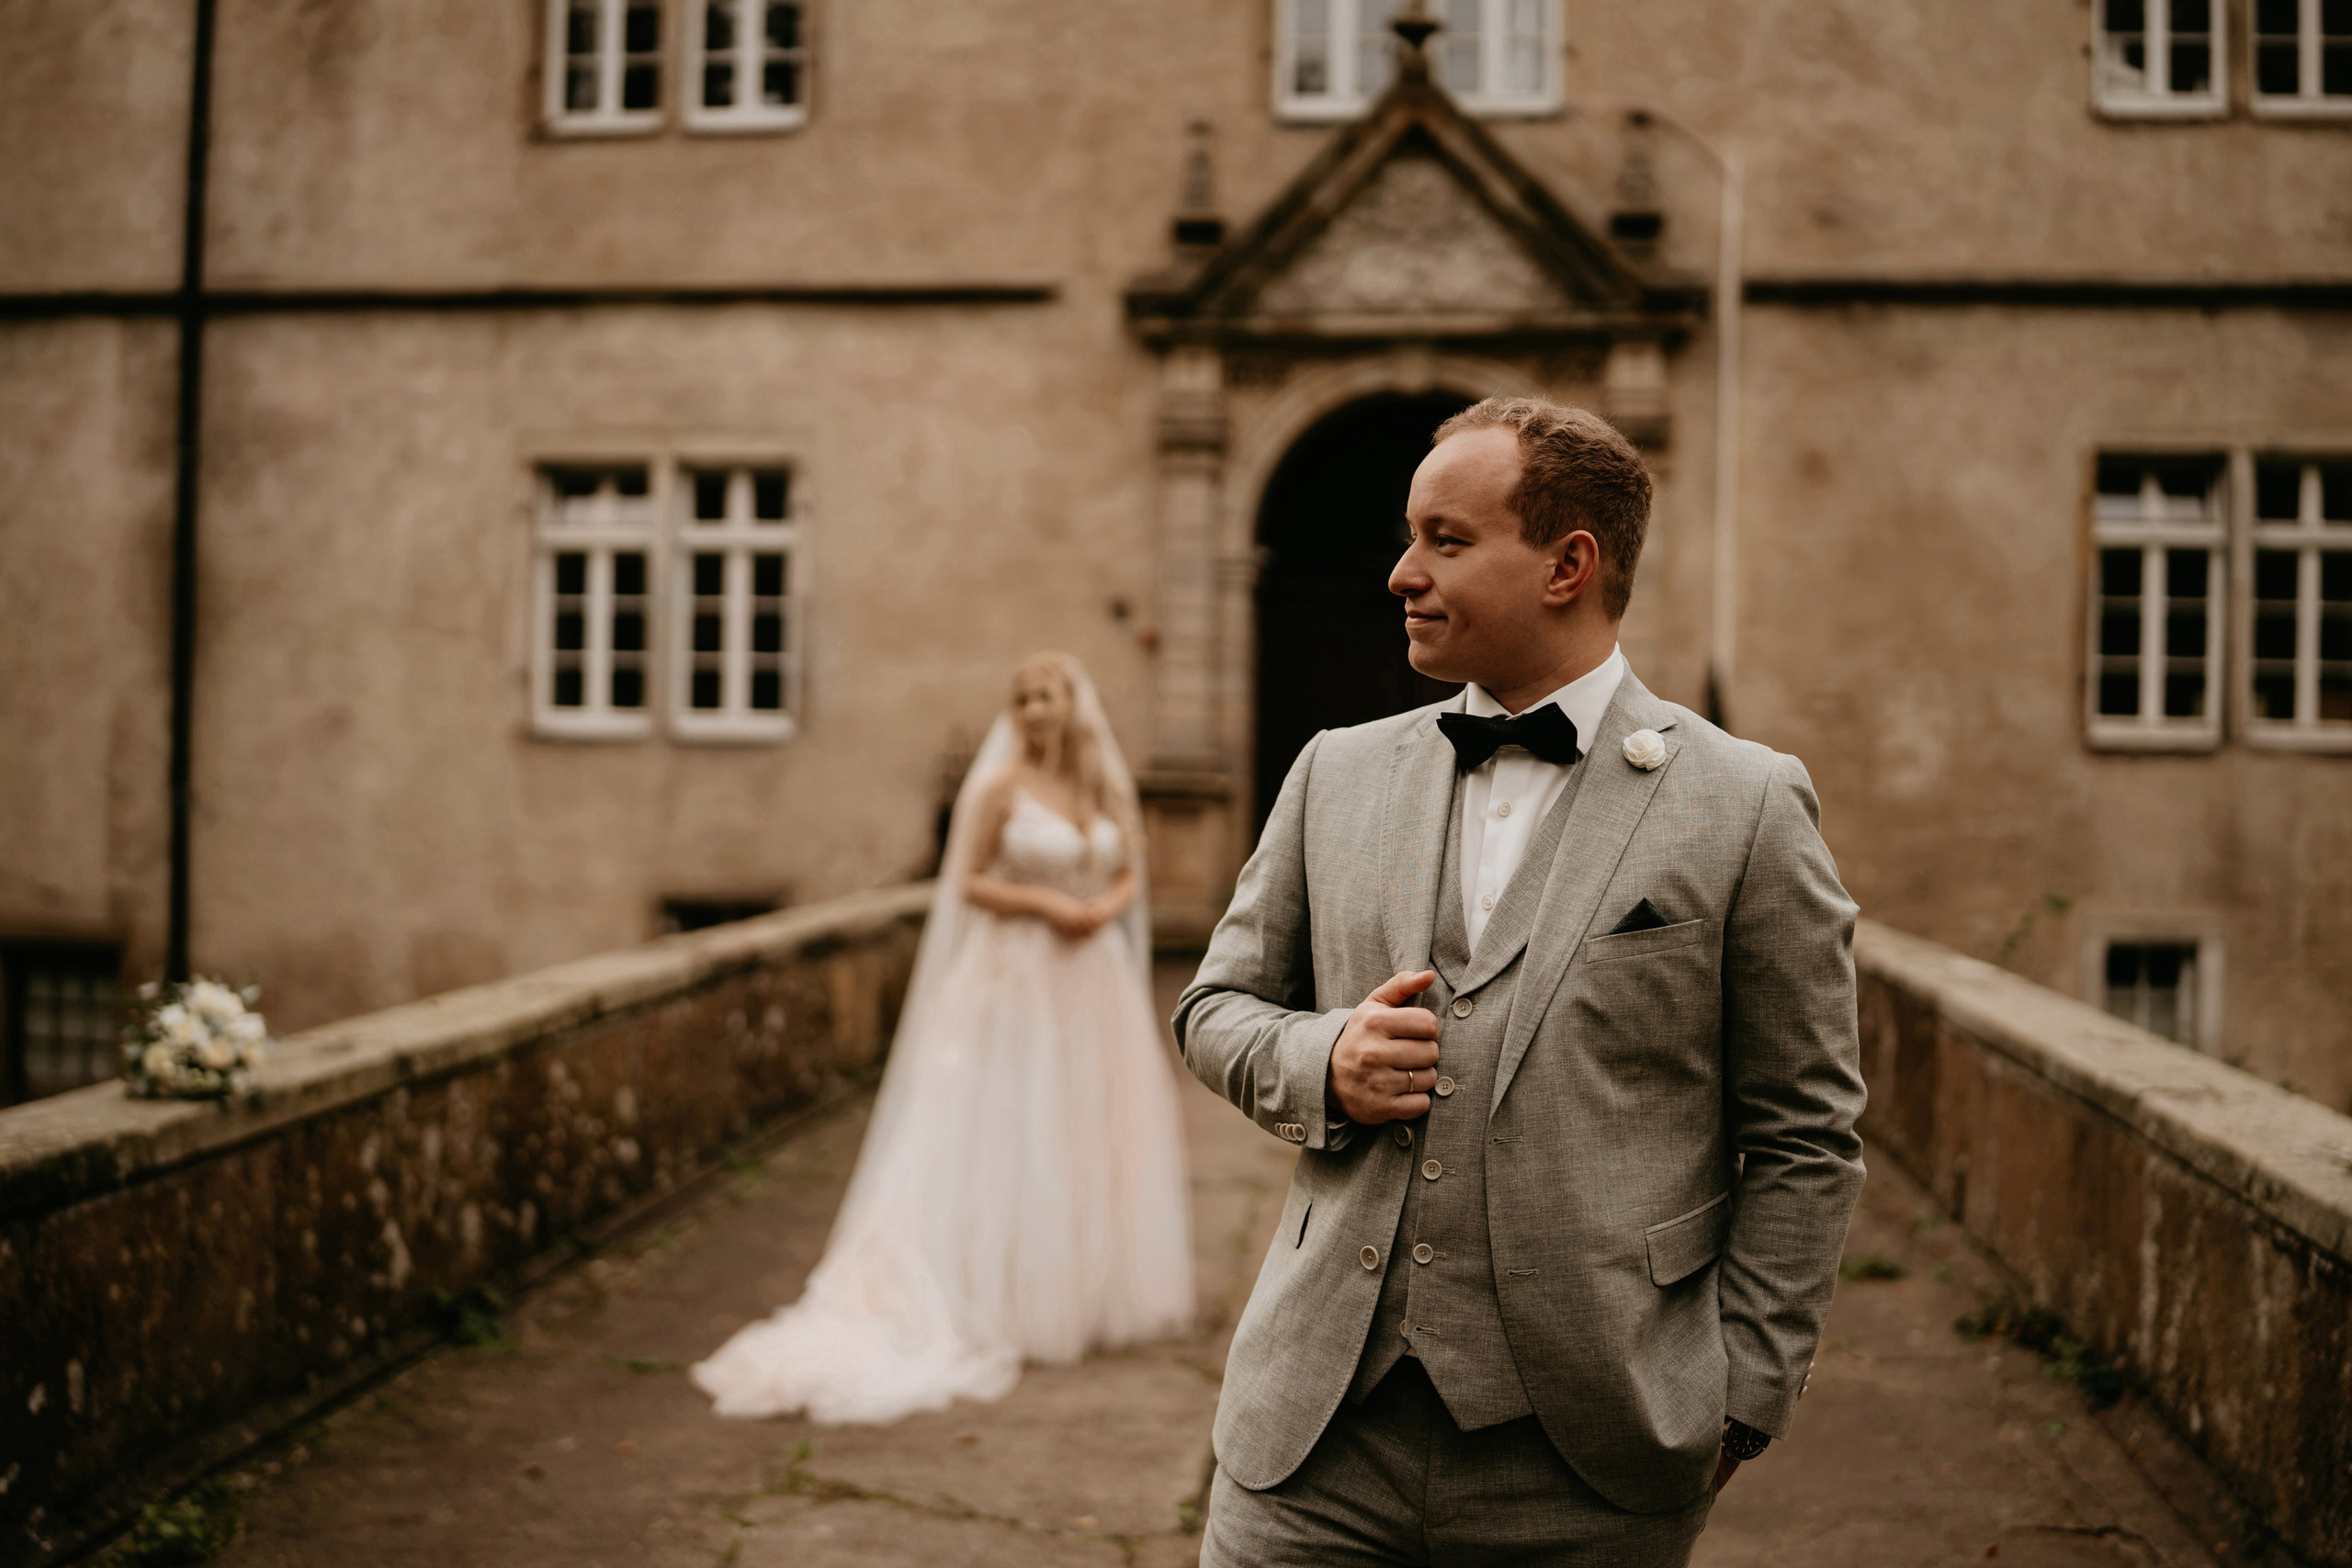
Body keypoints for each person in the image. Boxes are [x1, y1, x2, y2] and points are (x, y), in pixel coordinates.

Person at [1176, 397, 1866, 1564]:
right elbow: (1212, 1010)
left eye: (1445, 541)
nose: (1401, 573)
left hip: (1591, 1460)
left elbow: (1805, 1134)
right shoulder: (1335, 773)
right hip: (1309, 1440)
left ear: (1566, 566)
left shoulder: (1743, 803)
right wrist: (1321, 1058)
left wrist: (1742, 1395)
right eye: (1410, 537)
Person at [693, 651, 1193, 1424]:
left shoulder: (1100, 784)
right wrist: (1047, 905)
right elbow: (966, 881)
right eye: (1023, 697)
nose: (1034, 709)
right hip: (1016, 976)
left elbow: (1129, 861)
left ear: (1073, 705)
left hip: (1091, 982)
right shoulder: (998, 787)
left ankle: (1071, 1288)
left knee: (1082, 1128)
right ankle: (989, 1291)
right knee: (1006, 1128)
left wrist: (1106, 904)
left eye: (1047, 695)